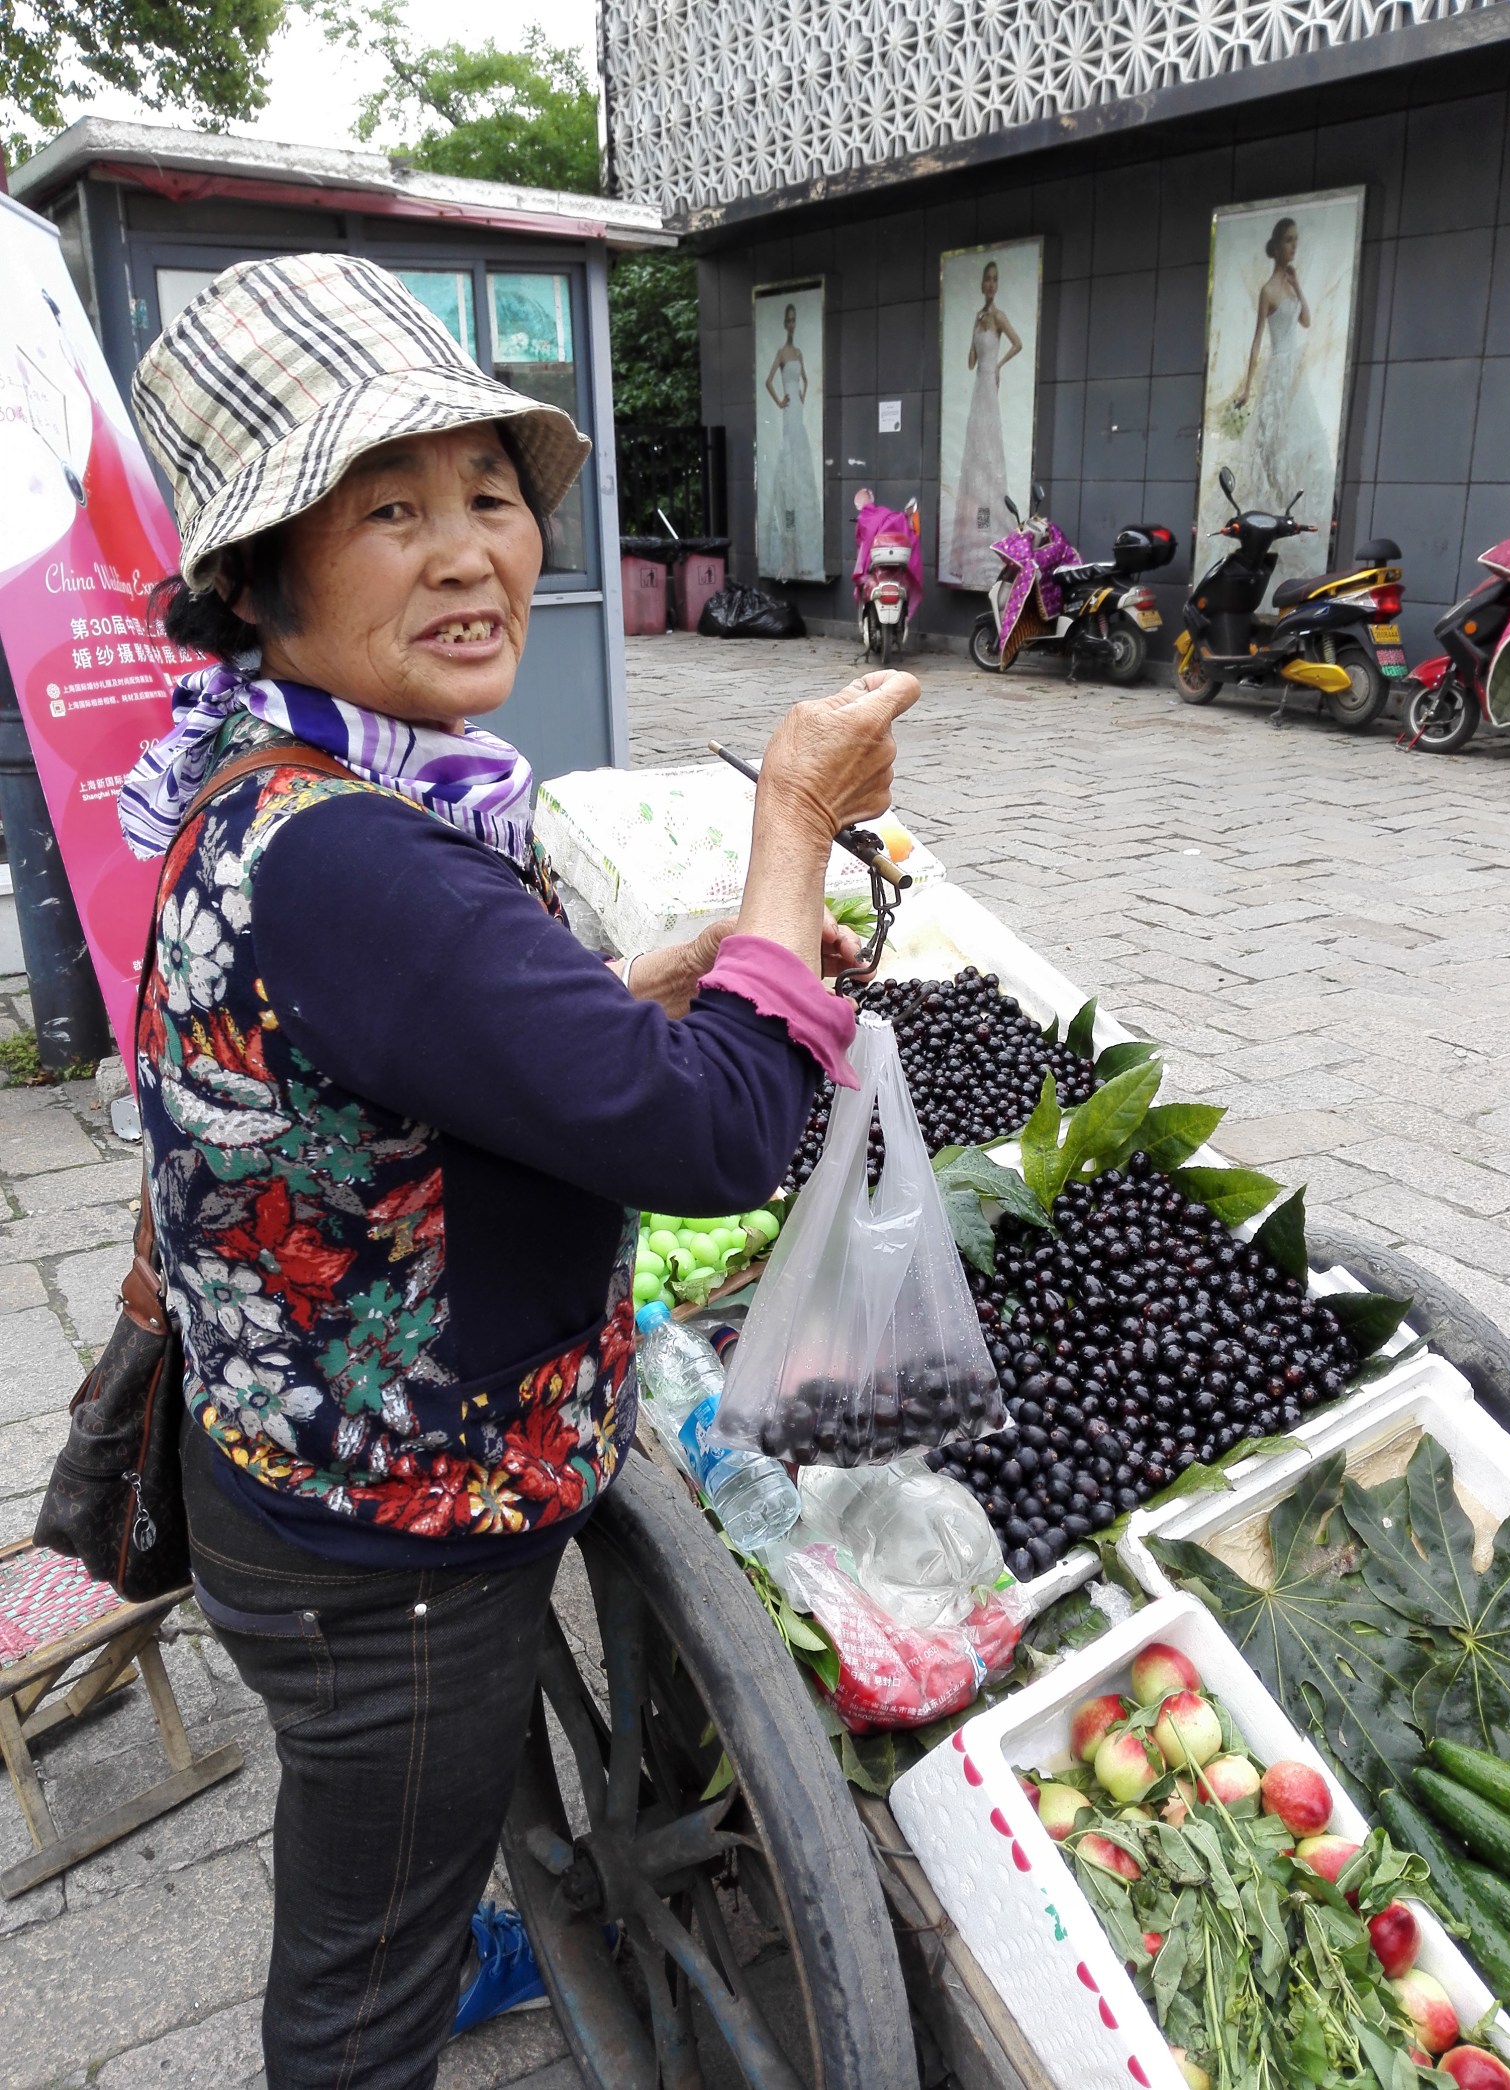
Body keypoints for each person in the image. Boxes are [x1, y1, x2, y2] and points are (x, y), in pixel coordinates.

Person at [118, 252, 918, 2090]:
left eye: (488, 492)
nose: (469, 551)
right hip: (386, 1544)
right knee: (358, 1979)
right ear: (257, 580)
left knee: (383, 1839)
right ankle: (399, 1988)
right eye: (387, 510)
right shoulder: (359, 858)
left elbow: (415, 1052)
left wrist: (661, 978)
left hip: (296, 1463)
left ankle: (434, 1920)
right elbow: (718, 1136)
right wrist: (793, 821)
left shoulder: (279, 784)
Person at [1231, 215, 1333, 526]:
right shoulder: (1268, 291)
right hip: (1278, 367)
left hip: (1294, 370)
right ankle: (1277, 503)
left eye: (1296, 240)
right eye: (1289, 240)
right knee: (1272, 440)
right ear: (1276, 247)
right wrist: (1247, 388)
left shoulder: (1290, 286)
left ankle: (1295, 508)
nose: (1294, 246)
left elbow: (1306, 321)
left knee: (1301, 435)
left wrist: (1298, 285)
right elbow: (1257, 340)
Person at [949, 259, 1023, 588]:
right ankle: (975, 536)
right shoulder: (979, 318)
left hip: (989, 388)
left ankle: (990, 536)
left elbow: (1018, 343)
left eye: (995, 279)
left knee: (990, 457)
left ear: (997, 284)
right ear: (981, 285)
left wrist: (999, 366)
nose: (991, 284)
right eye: (987, 279)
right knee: (975, 458)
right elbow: (969, 362)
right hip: (978, 389)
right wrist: (973, 332)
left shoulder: (1000, 317)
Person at [760, 301, 822, 579]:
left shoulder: (798, 353)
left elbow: (806, 379)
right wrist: (780, 401)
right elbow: (768, 381)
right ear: (785, 323)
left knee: (801, 475)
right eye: (789, 320)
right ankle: (789, 552)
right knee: (788, 477)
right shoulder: (782, 353)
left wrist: (802, 397)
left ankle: (805, 552)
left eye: (794, 320)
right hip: (788, 415)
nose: (791, 324)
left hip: (796, 412)